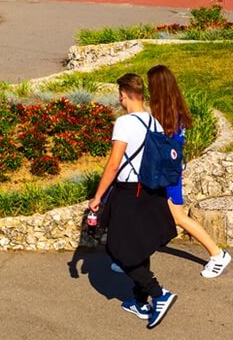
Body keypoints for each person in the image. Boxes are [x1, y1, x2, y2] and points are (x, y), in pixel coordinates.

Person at [88, 74, 178, 329]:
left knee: (117, 248)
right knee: (139, 246)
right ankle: (139, 301)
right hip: (153, 191)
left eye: (120, 95)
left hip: (130, 192)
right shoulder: (155, 122)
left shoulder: (124, 122)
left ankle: (159, 294)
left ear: (123, 94)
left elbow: (114, 164)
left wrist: (97, 197)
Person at [147, 65, 232, 279]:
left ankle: (217, 254)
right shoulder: (174, 111)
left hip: (167, 175)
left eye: (150, 85)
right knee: (148, 212)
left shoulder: (167, 116)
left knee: (178, 217)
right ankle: (131, 256)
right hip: (169, 173)